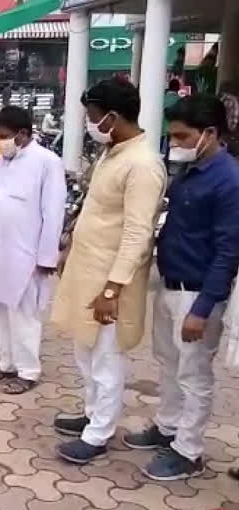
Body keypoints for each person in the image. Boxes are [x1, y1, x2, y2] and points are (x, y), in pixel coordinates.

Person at [123, 95, 239, 480]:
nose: (176, 144)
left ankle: (189, 451)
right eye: (172, 136)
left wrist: (202, 309)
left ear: (210, 133)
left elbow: (228, 250)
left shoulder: (229, 180)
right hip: (170, 284)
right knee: (169, 363)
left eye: (182, 136)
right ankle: (168, 426)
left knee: (194, 374)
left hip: (197, 293)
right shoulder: (189, 172)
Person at [52, 78, 166, 465]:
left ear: (113, 117)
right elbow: (96, 213)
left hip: (110, 282)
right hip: (88, 272)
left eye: (93, 117)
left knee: (106, 359)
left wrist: (112, 290)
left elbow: (137, 234)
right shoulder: (112, 153)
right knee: (85, 352)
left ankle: (99, 434)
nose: (89, 123)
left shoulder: (143, 165)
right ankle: (91, 414)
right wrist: (69, 248)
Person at [0, 106, 66, 395]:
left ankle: (28, 370)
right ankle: (6, 363)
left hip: (26, 254)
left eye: (4, 136)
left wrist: (47, 257)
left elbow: (53, 212)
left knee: (23, 314)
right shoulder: (0, 164)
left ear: (23, 134)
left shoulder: (47, 162)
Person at [162, 79, 181, 155]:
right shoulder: (179, 100)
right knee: (168, 153)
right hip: (172, 130)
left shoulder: (160, 99)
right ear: (178, 88)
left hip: (159, 130)